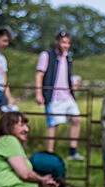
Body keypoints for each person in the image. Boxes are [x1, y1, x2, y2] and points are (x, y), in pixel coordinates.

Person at [0, 112, 58, 187]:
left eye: (26, 125)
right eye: (21, 125)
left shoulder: (7, 144)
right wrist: (42, 179)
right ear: (9, 126)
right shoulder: (8, 140)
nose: (27, 129)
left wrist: (41, 184)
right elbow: (24, 174)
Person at [35, 30, 84, 161]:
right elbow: (39, 74)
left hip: (67, 95)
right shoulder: (46, 55)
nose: (66, 45)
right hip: (53, 96)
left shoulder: (68, 58)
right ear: (57, 42)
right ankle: (49, 154)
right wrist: (39, 93)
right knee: (53, 124)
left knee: (76, 119)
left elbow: (65, 76)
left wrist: (73, 82)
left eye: (68, 42)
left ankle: (73, 152)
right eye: (63, 42)